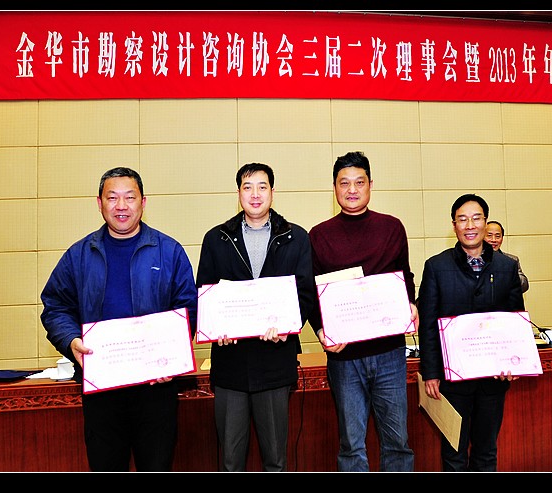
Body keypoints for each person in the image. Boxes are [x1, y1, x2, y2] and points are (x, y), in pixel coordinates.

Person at [40, 166, 198, 472]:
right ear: (99, 203)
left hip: (155, 389)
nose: (121, 206)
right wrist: (71, 341)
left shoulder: (169, 251)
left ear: (143, 202)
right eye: (112, 198)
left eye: (130, 197)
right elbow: (56, 306)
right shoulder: (79, 255)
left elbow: (188, 307)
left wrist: (172, 358)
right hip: (102, 390)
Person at [195, 162, 316, 472]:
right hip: (230, 364)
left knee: (275, 460)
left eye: (262, 187)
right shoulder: (217, 239)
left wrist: (289, 326)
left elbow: (305, 293)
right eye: (247, 187)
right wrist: (215, 327)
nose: (255, 194)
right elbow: (204, 294)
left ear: (272, 192)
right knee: (230, 461)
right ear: (238, 193)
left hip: (275, 362)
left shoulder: (296, 237)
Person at [307, 151, 418, 472]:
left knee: (397, 442)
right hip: (344, 358)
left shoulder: (392, 227)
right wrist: (321, 330)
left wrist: (411, 304)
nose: (352, 189)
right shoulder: (318, 235)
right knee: (351, 445)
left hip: (389, 354)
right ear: (334, 188)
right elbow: (312, 293)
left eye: (359, 182)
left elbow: (405, 276)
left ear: (371, 185)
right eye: (344, 183)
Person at [417, 193, 525, 472]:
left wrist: (514, 362)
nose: (470, 225)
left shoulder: (506, 266)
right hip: (452, 381)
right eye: (462, 219)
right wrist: (430, 372)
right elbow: (427, 323)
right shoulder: (436, 266)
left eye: (476, 218)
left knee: (486, 452)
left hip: (493, 378)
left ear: (485, 222)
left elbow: (515, 318)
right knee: (454, 453)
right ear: (453, 225)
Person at [485, 220, 529, 293]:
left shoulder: (511, 260)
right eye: (489, 235)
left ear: (502, 238)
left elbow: (524, 285)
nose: (493, 240)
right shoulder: (475, 260)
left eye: (497, 236)